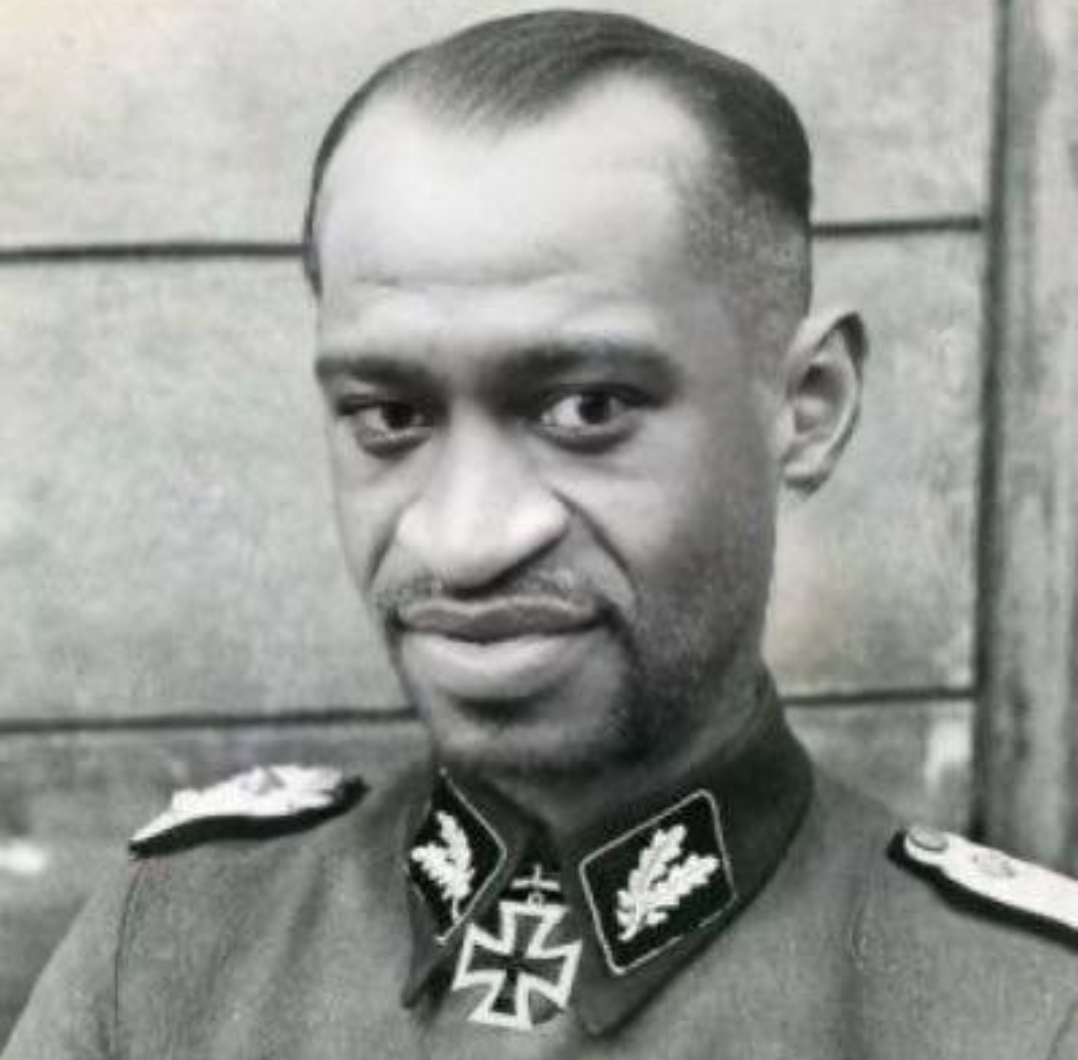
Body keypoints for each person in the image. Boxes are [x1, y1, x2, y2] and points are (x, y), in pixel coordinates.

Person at [5, 10, 1078, 1058]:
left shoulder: (1022, 1014)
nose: (465, 540)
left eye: (588, 408)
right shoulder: (170, 958)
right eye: (392, 415)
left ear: (807, 406)